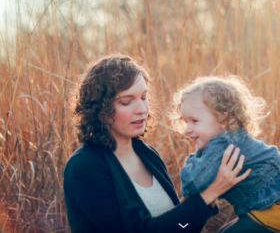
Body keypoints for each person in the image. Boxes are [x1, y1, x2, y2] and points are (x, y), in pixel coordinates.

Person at [63, 54, 251, 233]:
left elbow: (182, 228)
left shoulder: (147, 154)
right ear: (100, 109)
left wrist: (204, 194)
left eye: (144, 98)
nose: (142, 109)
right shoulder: (84, 166)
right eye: (127, 102)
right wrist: (210, 193)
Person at [171, 75, 280, 233]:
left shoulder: (222, 145)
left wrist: (193, 160)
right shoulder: (233, 138)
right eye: (186, 122)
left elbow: (193, 182)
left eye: (194, 121)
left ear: (223, 119)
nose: (187, 130)